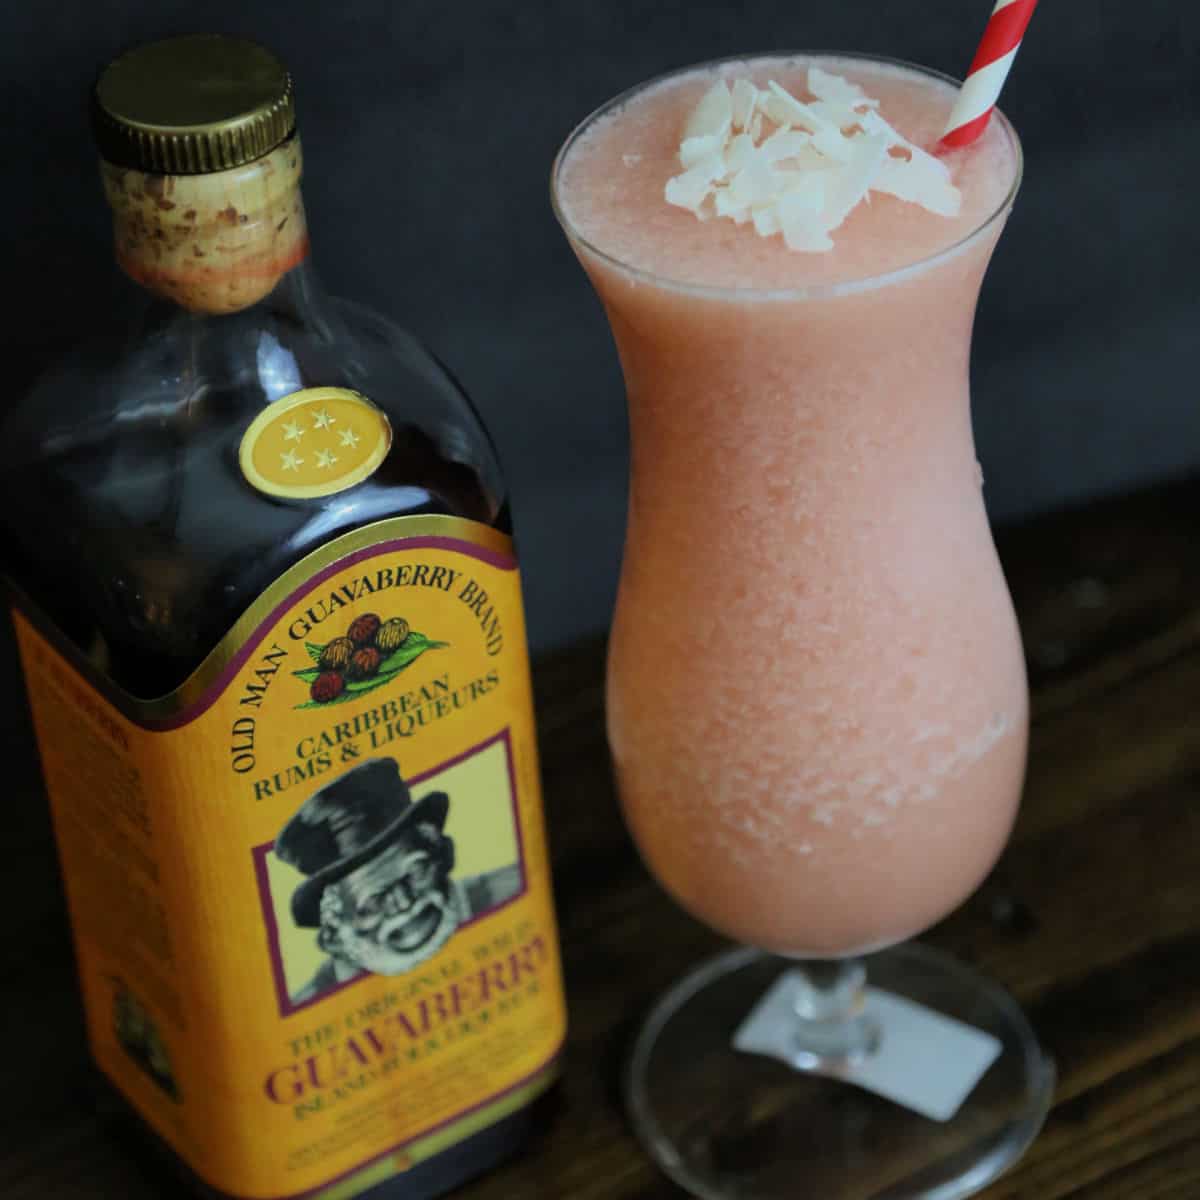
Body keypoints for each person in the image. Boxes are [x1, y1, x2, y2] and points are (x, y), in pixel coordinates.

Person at [275, 757, 520, 1005]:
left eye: (415, 872)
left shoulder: (515, 891)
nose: (404, 903)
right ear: (336, 933)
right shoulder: (309, 1007)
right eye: (373, 902)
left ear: (439, 857)